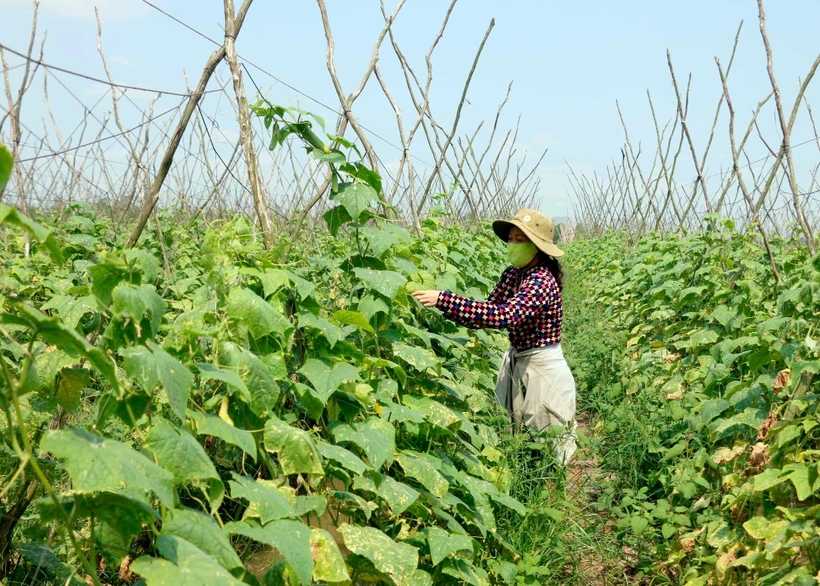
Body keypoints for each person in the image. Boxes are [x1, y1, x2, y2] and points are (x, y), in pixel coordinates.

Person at [411, 208, 577, 464]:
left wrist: (446, 299)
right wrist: (440, 307)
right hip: (519, 360)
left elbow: (502, 315)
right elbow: (487, 311)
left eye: (520, 240)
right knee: (520, 433)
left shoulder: (542, 281)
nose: (512, 245)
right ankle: (529, 486)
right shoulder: (513, 275)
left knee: (548, 436)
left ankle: (556, 494)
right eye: (510, 238)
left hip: (543, 366)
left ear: (538, 246)